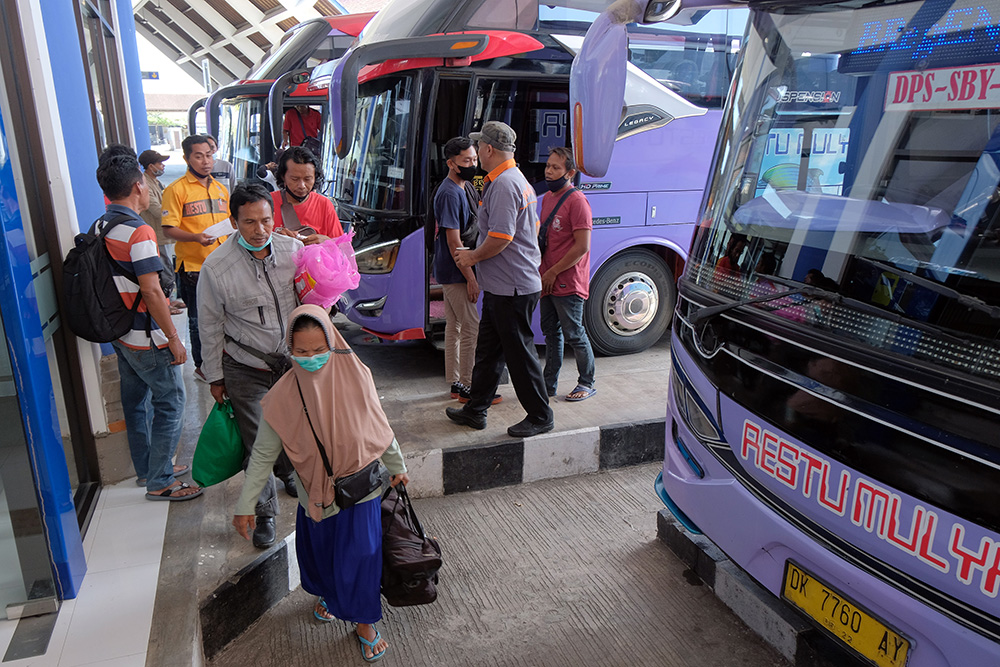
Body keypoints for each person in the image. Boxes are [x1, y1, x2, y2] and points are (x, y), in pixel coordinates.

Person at [233, 305, 408, 661]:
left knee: (362, 557)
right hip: (315, 495)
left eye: (318, 350)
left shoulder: (356, 376)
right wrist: (245, 504)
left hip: (361, 490)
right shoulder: (283, 397)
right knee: (324, 556)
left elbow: (379, 425)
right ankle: (330, 595)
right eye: (301, 352)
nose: (311, 358)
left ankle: (364, 622)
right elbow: (263, 456)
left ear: (333, 342)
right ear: (290, 350)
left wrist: (397, 465)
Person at [94, 147, 201, 501]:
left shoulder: (102, 224)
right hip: (146, 336)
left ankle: (147, 468)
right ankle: (160, 480)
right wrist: (173, 337)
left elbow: (123, 279)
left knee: (135, 401)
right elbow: (151, 290)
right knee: (171, 401)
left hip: (121, 332)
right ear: (139, 186)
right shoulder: (139, 232)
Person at [199, 184, 303, 547]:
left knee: (295, 427)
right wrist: (214, 375)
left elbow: (313, 296)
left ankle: (289, 471)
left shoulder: (294, 250)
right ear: (233, 222)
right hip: (245, 366)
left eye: (265, 220)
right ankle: (265, 513)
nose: (260, 230)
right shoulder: (216, 268)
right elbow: (210, 326)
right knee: (258, 439)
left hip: (292, 363)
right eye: (249, 222)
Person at [447, 121, 554, 438]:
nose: (477, 152)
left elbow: (502, 237)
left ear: (489, 149)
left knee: (520, 355)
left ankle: (540, 416)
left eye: (479, 147)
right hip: (503, 285)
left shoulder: (506, 184)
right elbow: (528, 230)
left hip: (513, 288)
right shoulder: (511, 180)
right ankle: (476, 409)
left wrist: (471, 257)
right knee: (489, 351)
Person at [162, 134, 231, 382]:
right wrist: (195, 238)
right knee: (197, 319)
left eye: (209, 155)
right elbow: (168, 229)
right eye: (199, 156)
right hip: (193, 266)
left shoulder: (221, 189)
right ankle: (202, 366)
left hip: (223, 263)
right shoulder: (176, 190)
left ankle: (220, 359)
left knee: (222, 315)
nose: (205, 161)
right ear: (187, 158)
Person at [538, 146, 596, 402]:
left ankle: (587, 382)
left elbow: (582, 246)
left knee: (575, 334)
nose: (549, 172)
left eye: (556, 168)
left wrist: (553, 272)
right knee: (551, 333)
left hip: (567, 281)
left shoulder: (578, 201)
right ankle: (548, 383)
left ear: (570, 173)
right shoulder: (548, 198)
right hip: (547, 278)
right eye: (548, 166)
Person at [433, 137, 483, 402]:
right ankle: (467, 385)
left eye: (474, 159)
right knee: (471, 326)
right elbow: (455, 242)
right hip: (455, 271)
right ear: (451, 163)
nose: (472, 165)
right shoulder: (450, 193)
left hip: (450, 269)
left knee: (454, 327)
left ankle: (454, 382)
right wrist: (471, 279)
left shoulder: (465, 186)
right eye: (466, 161)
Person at [138, 149, 184, 315]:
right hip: (157, 233)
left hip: (162, 234)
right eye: (160, 163)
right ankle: (166, 305)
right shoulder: (145, 184)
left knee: (167, 267)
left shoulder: (155, 182)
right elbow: (157, 209)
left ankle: (170, 300)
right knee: (163, 269)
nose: (163, 166)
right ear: (151, 166)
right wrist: (175, 213)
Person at [271, 147, 343, 244]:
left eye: (307, 179)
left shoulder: (324, 205)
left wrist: (328, 243)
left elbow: (343, 249)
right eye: (295, 179)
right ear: (283, 177)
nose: (302, 186)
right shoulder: (267, 203)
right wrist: (275, 240)